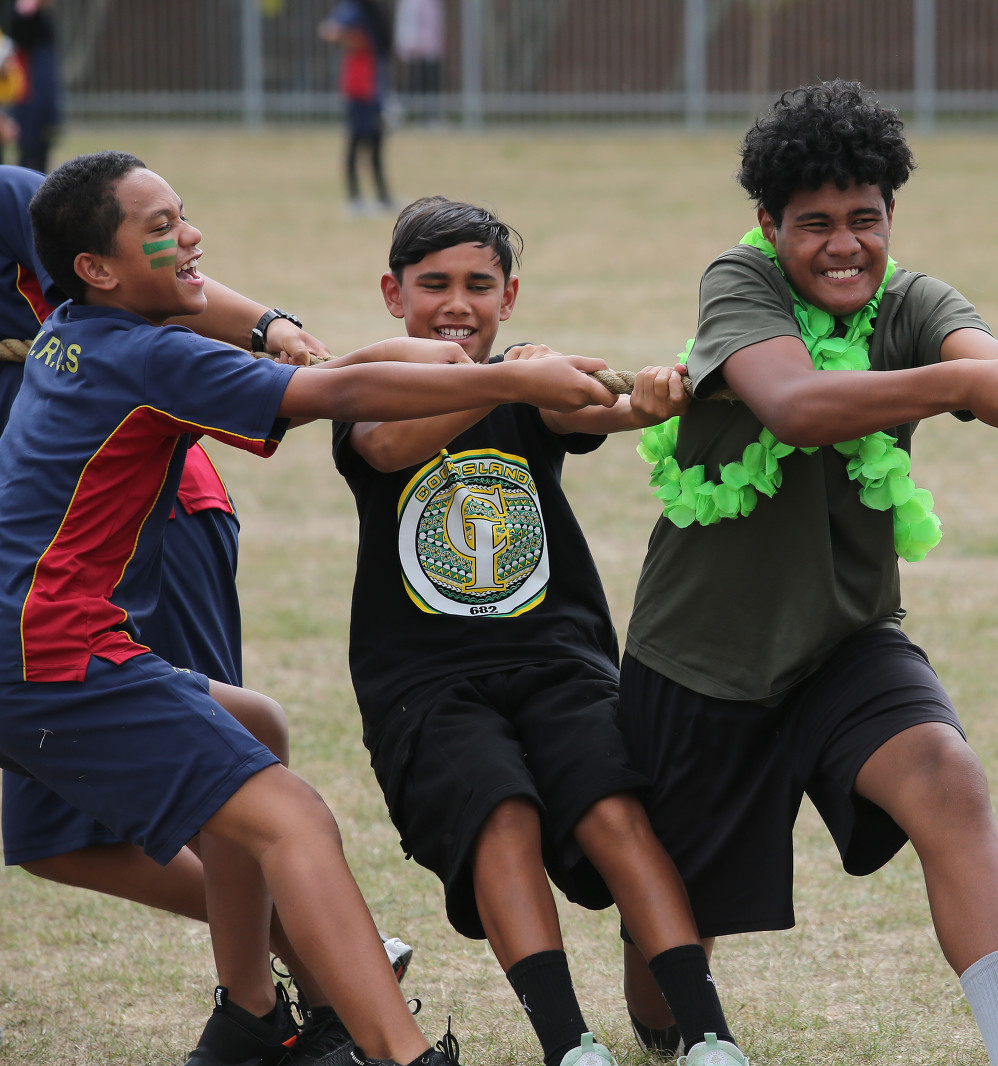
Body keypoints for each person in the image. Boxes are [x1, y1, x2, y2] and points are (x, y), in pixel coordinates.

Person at [0, 149, 625, 1064]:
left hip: (38, 641)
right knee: (293, 820)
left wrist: (398, 353)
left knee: (256, 724)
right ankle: (403, 1055)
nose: (192, 236)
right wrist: (507, 380)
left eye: (184, 212)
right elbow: (338, 394)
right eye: (161, 228)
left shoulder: (74, 328)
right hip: (47, 656)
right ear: (96, 267)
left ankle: (251, 1015)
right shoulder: (148, 357)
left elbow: (337, 371)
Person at [614, 80, 998, 1066]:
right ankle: (671, 1028)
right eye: (815, 224)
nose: (844, 245)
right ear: (768, 226)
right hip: (703, 660)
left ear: (891, 216)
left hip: (844, 640)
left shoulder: (911, 302)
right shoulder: (739, 285)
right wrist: (959, 383)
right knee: (661, 978)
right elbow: (794, 405)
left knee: (947, 776)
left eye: (864, 220)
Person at [0, 158, 401, 1066]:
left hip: (143, 531)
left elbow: (144, 266)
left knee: (242, 781)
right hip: (31, 583)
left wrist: (268, 327)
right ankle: (300, 986)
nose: (188, 232)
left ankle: (313, 995)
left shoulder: (25, 204)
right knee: (56, 838)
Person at [332, 196, 749, 1066]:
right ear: (393, 294)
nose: (457, 304)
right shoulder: (371, 386)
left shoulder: (535, 384)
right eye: (433, 284)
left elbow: (603, 412)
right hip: (425, 683)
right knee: (501, 813)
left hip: (557, 659)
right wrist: (508, 380)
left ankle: (710, 1038)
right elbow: (385, 447)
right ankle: (571, 1047)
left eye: (479, 285)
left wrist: (655, 395)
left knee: (612, 807)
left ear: (509, 297)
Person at [321, 0, 393, 216]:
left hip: (374, 86)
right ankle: (355, 199)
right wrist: (355, 40)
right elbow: (329, 30)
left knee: (377, 141)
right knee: (356, 141)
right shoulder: (354, 8)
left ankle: (382, 197)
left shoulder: (372, 9)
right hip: (360, 87)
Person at [1, 0, 57, 173]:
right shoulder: (19, 17)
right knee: (28, 142)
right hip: (27, 91)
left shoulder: (41, 21)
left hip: (38, 88)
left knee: (42, 138)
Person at [393, 0, 444, 125]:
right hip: (416, 48)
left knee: (429, 82)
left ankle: (427, 115)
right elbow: (410, 22)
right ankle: (402, 111)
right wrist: (411, 44)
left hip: (429, 48)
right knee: (415, 82)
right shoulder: (412, 3)